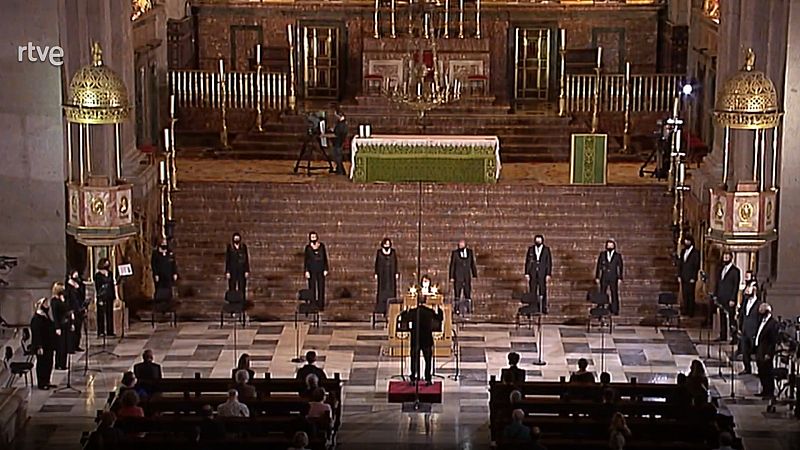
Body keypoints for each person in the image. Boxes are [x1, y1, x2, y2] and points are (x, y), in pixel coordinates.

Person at [407, 298, 444, 385]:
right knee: (428, 360)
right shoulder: (429, 311)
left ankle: (413, 377)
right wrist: (439, 308)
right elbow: (439, 318)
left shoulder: (413, 312)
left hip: (416, 338)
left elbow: (404, 317)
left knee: (414, 359)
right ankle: (427, 378)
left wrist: (407, 309)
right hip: (426, 338)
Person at [30, 297, 57, 390]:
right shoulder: (36, 318)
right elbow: (36, 334)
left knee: (49, 363)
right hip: (42, 345)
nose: (47, 306)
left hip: (48, 344)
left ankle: (47, 380)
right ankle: (41, 383)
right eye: (45, 304)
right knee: (42, 364)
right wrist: (39, 346)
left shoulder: (45, 316)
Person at [713, 251, 740, 342]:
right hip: (721, 296)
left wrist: (733, 299)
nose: (725, 258)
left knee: (731, 318)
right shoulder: (721, 269)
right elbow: (718, 283)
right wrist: (716, 295)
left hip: (729, 298)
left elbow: (735, 286)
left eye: (727, 256)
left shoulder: (735, 271)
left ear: (731, 257)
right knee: (722, 317)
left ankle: (734, 337)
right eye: (724, 256)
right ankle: (723, 335)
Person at [754, 302, 779, 398]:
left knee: (767, 372)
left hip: (766, 352)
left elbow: (773, 341)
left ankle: (770, 392)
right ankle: (764, 390)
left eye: (761, 311)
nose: (760, 313)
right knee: (761, 372)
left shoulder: (773, 324)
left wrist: (769, 353)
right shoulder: (762, 321)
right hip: (759, 350)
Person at [738, 280, 761, 375]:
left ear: (754, 289)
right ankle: (747, 368)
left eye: (749, 287)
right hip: (745, 329)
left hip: (754, 331)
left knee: (757, 353)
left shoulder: (759, 304)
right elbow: (742, 315)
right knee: (745, 350)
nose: (747, 289)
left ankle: (760, 371)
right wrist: (740, 327)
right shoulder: (746, 301)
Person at [525, 235, 553, 314]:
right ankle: (533, 307)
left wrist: (548, 273)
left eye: (539, 241)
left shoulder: (546, 250)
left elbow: (548, 262)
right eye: (536, 241)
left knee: (542, 290)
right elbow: (527, 261)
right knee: (532, 290)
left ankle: (543, 307)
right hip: (533, 272)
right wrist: (527, 272)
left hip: (542, 273)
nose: (538, 242)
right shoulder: (531, 249)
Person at [595, 240, 624, 315]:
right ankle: (601, 308)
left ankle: (615, 309)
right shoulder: (602, 255)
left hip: (613, 277)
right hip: (604, 277)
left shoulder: (617, 256)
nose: (610, 247)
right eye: (608, 245)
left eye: (611, 245)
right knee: (602, 293)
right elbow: (598, 266)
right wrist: (597, 276)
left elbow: (620, 267)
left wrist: (620, 277)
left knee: (614, 293)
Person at [449, 239, 477, 315]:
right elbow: (452, 265)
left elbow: (472, 264)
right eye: (459, 244)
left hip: (467, 276)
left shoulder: (470, 252)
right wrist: (451, 276)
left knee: (467, 293)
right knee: (457, 294)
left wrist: (474, 274)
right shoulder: (455, 253)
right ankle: (456, 309)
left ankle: (468, 308)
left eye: (461, 244)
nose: (460, 245)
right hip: (458, 277)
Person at [50, 282, 74, 370]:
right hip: (59, 325)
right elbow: (55, 315)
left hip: (66, 323)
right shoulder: (54, 301)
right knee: (60, 346)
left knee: (65, 345)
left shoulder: (63, 299)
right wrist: (57, 327)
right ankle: (58, 364)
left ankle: (63, 363)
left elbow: (67, 309)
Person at [304, 231, 329, 310]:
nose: (313, 239)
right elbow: (306, 260)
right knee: (312, 287)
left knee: (321, 287)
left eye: (314, 237)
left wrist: (326, 268)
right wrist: (306, 270)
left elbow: (325, 258)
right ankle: (313, 304)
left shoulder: (321, 246)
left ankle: (321, 305)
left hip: (320, 269)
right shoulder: (308, 248)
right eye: (312, 237)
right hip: (312, 270)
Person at [374, 237, 399, 315]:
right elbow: (377, 263)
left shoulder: (393, 252)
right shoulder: (379, 252)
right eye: (386, 244)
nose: (387, 245)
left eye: (388, 244)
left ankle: (391, 308)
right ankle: (381, 308)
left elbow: (395, 262)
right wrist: (376, 273)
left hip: (391, 276)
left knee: (391, 291)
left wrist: (396, 272)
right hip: (382, 276)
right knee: (382, 291)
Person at [677, 235, 700, 317]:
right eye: (685, 241)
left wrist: (693, 277)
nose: (686, 242)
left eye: (687, 241)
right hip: (683, 276)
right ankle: (685, 309)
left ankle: (691, 311)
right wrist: (679, 275)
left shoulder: (695, 253)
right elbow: (680, 264)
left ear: (691, 242)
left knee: (690, 294)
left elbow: (696, 266)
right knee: (685, 294)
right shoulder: (683, 251)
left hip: (691, 277)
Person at [93, 258, 116, 337]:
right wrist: (99, 297)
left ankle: (110, 331)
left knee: (110, 314)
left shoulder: (110, 273)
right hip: (102, 296)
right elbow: (97, 287)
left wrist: (114, 295)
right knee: (101, 315)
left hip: (109, 295)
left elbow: (112, 284)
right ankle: (101, 331)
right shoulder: (97, 275)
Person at [65, 269, 87, 352]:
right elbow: (68, 299)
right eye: (75, 274)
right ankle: (71, 347)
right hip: (72, 309)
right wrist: (70, 311)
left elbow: (82, 295)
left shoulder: (79, 284)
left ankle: (76, 345)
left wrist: (78, 287)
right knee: (72, 329)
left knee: (78, 329)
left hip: (79, 308)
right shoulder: (68, 286)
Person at [225, 232, 250, 303]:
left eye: (237, 238)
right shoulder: (230, 247)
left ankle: (242, 303)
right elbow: (228, 260)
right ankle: (232, 303)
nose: (236, 239)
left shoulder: (243, 247)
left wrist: (246, 270)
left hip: (241, 269)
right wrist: (227, 271)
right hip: (233, 270)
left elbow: (246, 259)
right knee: (232, 287)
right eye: (235, 238)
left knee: (242, 287)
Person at [151, 238, 178, 302]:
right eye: (163, 243)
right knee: (160, 288)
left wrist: (175, 272)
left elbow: (173, 263)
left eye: (165, 243)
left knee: (168, 288)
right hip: (160, 274)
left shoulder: (170, 253)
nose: (164, 244)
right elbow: (154, 264)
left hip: (168, 273)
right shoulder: (155, 253)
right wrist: (156, 274)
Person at [331, 107, 349, 175]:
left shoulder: (342, 124)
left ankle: (341, 170)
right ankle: (339, 169)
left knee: (338, 156)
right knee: (336, 156)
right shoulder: (341, 123)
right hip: (338, 141)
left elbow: (340, 132)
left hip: (339, 141)